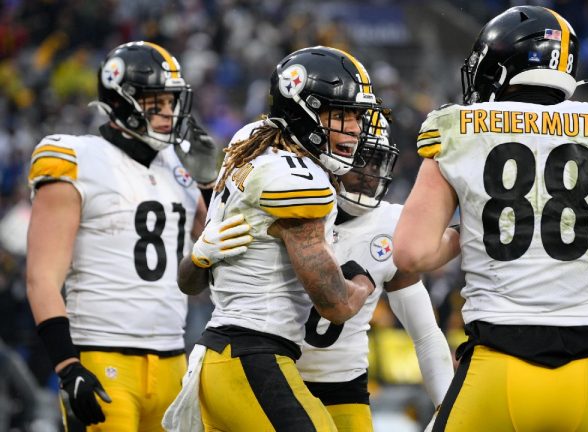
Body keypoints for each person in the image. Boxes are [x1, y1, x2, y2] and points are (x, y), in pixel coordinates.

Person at [393, 6, 588, 431]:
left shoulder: (459, 129)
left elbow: (411, 253)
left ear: (499, 65)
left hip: (498, 367)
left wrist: (464, 235)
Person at [164, 46, 378, 432]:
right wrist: (364, 281)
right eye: (341, 115)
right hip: (252, 358)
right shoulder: (296, 182)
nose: (356, 129)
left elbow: (188, 282)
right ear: (304, 111)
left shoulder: (253, 142)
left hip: (223, 357)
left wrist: (198, 259)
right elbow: (335, 304)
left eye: (358, 117)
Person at [26, 41, 211, 431]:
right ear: (121, 101)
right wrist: (66, 364)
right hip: (102, 356)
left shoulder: (180, 166)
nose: (168, 114)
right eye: (154, 103)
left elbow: (219, 247)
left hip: (173, 357)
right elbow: (42, 277)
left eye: (171, 102)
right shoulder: (75, 158)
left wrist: (211, 183)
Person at [296, 115, 454, 432]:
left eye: (376, 162)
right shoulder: (292, 206)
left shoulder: (390, 223)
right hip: (279, 374)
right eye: (360, 160)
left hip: (345, 385)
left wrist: (446, 406)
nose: (369, 174)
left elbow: (424, 333)